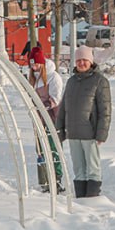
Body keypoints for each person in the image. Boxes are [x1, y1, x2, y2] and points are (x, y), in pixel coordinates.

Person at [55, 45, 111, 198]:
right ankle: (81, 200)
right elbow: (63, 108)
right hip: (73, 133)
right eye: (78, 60)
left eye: (84, 60)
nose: (81, 63)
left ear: (90, 61)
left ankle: (92, 199)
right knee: (79, 170)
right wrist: (59, 130)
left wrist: (101, 134)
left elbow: (105, 110)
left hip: (90, 133)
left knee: (93, 168)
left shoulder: (99, 81)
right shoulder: (71, 81)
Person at [33, 57, 65, 194]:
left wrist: (43, 107)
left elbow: (55, 99)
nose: (33, 66)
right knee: (40, 149)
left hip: (51, 119)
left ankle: (56, 180)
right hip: (39, 119)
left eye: (36, 63)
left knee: (53, 148)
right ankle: (44, 180)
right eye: (32, 63)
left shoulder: (53, 77)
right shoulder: (35, 78)